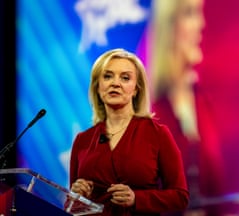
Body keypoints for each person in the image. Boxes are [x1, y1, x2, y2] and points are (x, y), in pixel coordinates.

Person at [69, 48, 189, 216]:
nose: (115, 83)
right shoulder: (83, 140)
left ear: (136, 89)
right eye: (107, 76)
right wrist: (76, 196)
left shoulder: (157, 134)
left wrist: (137, 199)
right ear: (97, 86)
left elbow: (180, 196)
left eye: (125, 78)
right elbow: (72, 206)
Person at [147, 0, 205, 214]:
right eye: (190, 14)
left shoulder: (203, 102)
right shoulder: (152, 115)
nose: (201, 24)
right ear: (169, 26)